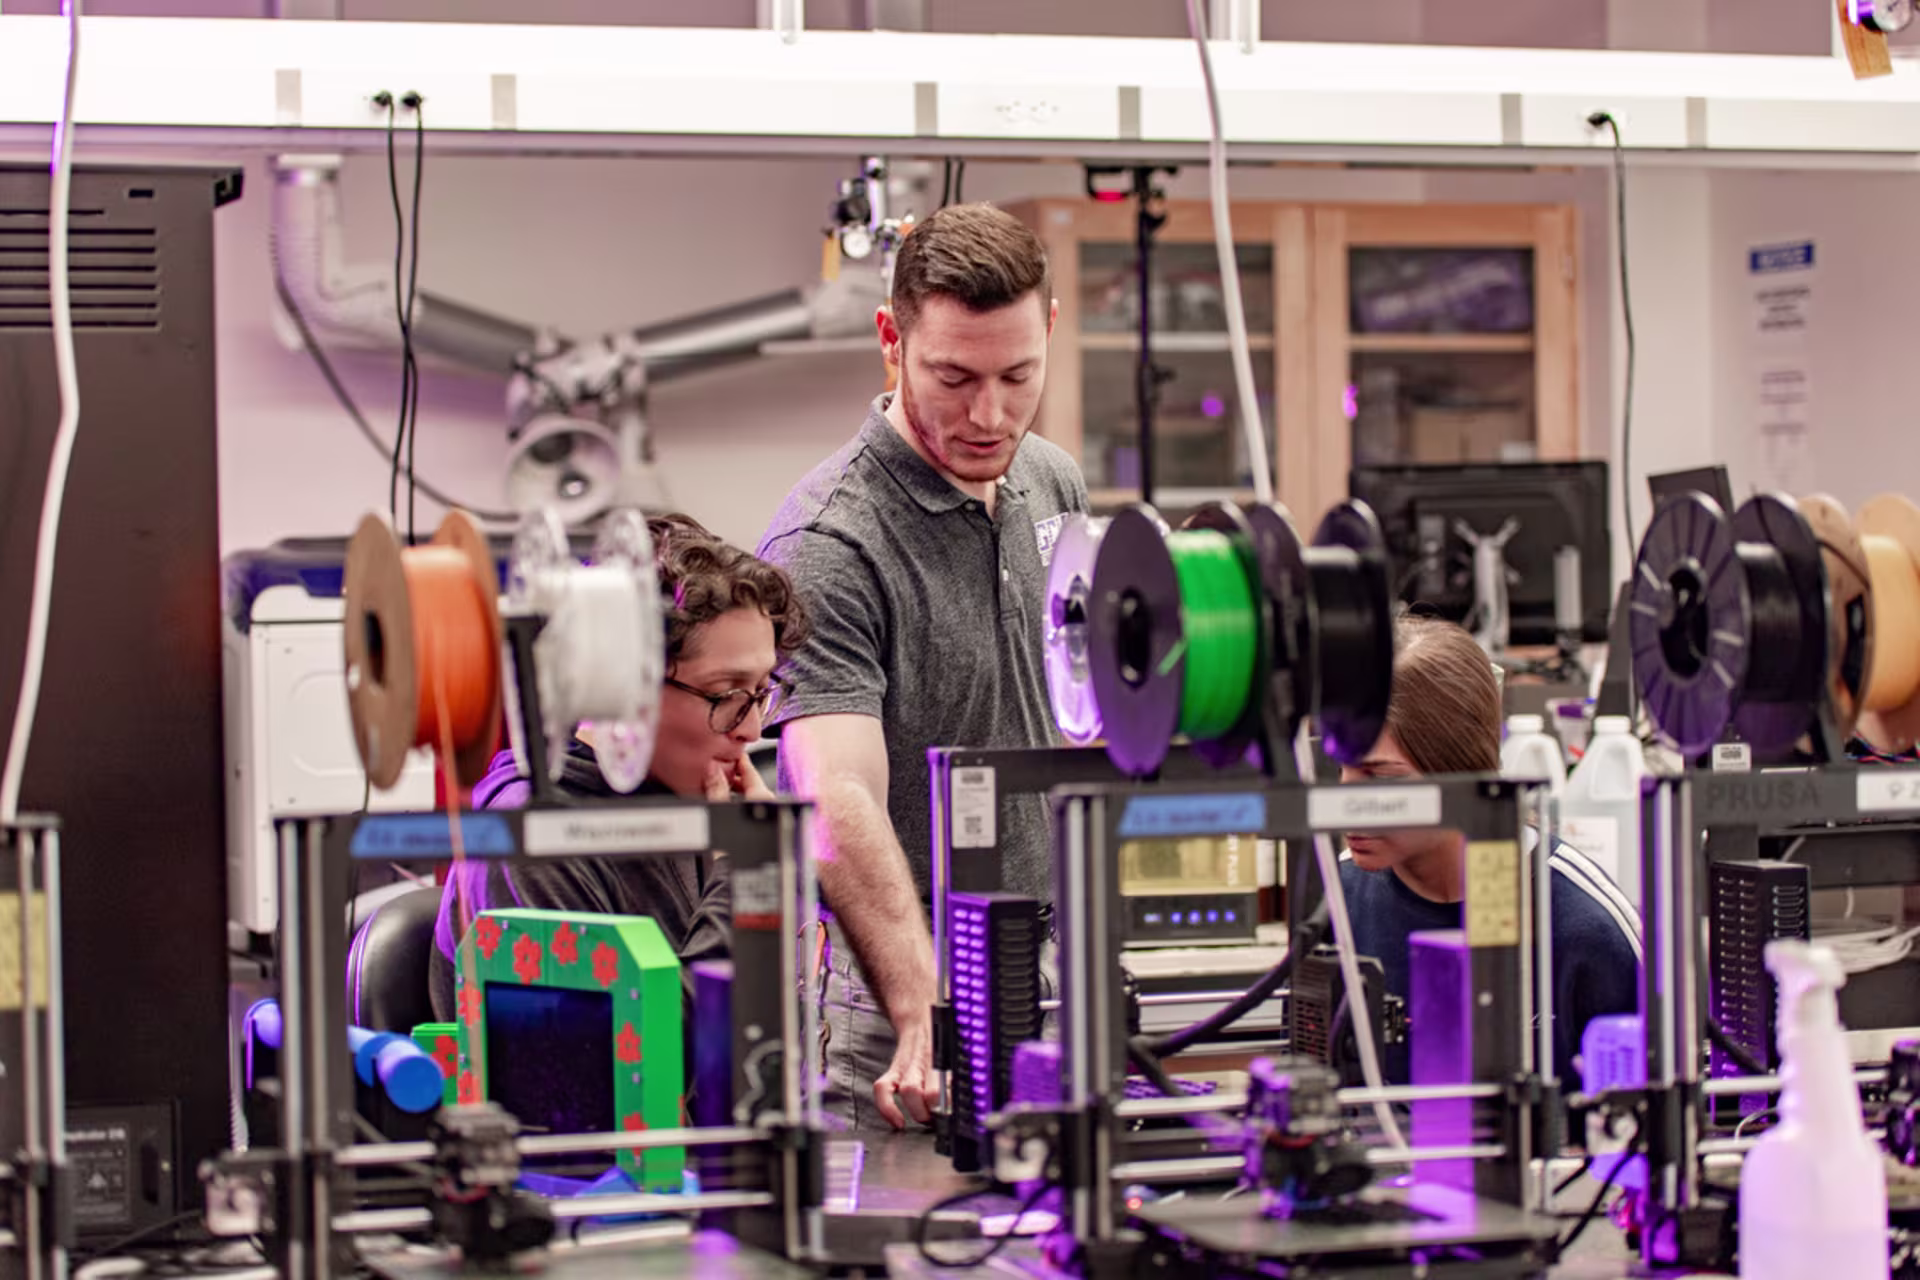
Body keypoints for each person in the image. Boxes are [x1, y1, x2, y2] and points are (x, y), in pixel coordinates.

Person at [758, 203, 1088, 1132]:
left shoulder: (1051, 480)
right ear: (890, 343)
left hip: (1051, 970)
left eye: (1018, 374)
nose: (989, 415)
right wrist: (921, 1003)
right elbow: (835, 794)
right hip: (905, 1006)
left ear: (1051, 331)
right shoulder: (831, 542)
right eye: (953, 376)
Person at [427, 513, 809, 1023]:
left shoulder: (683, 800)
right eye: (726, 695)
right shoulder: (531, 840)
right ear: (627, 688)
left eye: (762, 692)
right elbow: (640, 1060)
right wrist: (747, 874)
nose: (751, 729)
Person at [1335, 615, 1640, 1086]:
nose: (1347, 808)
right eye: (1344, 770)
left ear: (1462, 775)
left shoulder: (1586, 927)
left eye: (1382, 778)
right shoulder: (1337, 900)